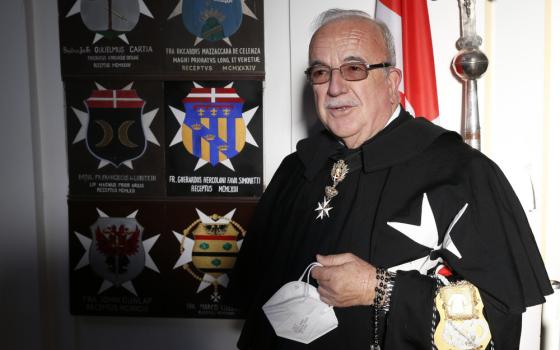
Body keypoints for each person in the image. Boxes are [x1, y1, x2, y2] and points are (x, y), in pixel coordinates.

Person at [227, 8, 552, 350]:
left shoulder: (461, 172)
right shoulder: (295, 170)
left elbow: (498, 318)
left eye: (354, 69)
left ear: (392, 81)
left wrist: (379, 288)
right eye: (321, 72)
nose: (335, 88)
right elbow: (257, 304)